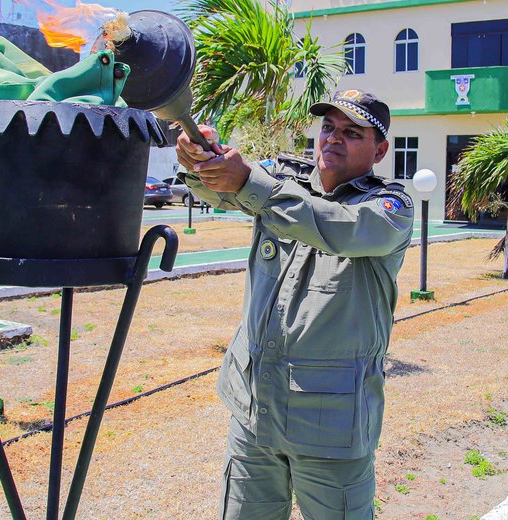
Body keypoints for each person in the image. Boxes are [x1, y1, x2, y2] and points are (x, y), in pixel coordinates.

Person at [175, 89, 414, 518]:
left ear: (379, 150)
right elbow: (224, 192)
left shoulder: (389, 207)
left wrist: (250, 183)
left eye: (351, 132)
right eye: (328, 127)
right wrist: (199, 163)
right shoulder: (283, 181)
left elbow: (338, 227)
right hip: (253, 412)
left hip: (331, 429)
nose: (333, 138)